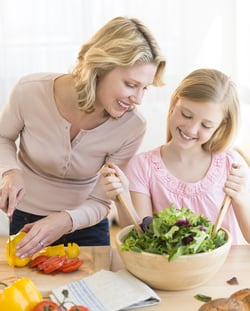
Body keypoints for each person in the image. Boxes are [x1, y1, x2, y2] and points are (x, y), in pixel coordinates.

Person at [0, 16, 166, 258]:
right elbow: (3, 137)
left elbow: (101, 201)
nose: (138, 99)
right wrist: (10, 172)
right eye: (131, 85)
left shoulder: (133, 126)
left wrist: (65, 220)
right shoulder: (30, 90)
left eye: (145, 88)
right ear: (100, 67)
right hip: (27, 221)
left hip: (87, 224)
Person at [101, 68, 250, 245]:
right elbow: (139, 239)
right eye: (186, 115)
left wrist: (241, 199)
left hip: (223, 269)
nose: (191, 129)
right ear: (174, 102)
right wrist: (122, 199)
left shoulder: (231, 164)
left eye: (206, 125)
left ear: (221, 125)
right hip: (167, 271)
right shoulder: (142, 166)